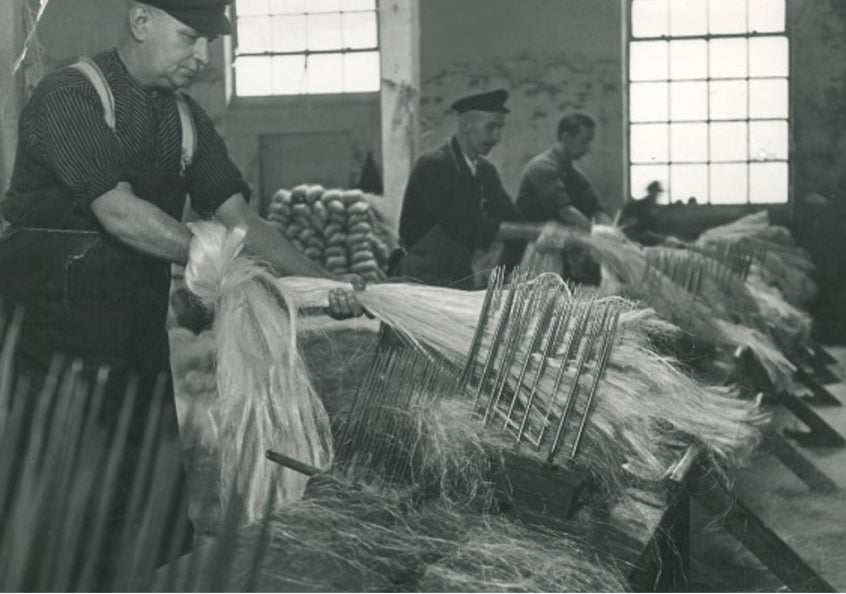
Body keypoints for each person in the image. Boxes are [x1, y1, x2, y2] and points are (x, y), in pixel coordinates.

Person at [0, 0, 361, 586]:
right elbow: (117, 212)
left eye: (211, 42)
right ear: (141, 22)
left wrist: (323, 282)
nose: (204, 56)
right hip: (51, 340)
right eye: (191, 36)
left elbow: (241, 220)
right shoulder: (71, 96)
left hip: (133, 332)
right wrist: (222, 263)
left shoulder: (186, 121)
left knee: (149, 496)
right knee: (63, 503)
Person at [395, 89, 565, 289]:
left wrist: (542, 232)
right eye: (491, 127)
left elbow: (511, 217)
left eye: (500, 128)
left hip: (459, 276)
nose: (497, 137)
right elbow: (466, 226)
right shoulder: (434, 165)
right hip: (420, 278)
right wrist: (532, 232)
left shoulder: (484, 170)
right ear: (467, 126)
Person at [516, 113, 612, 284]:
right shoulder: (541, 168)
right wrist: (599, 237)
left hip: (561, 253)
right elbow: (566, 211)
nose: (588, 148)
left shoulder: (576, 176)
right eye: (584, 141)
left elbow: (596, 210)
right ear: (566, 137)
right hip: (536, 254)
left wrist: (615, 236)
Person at [618, 180, 666, 246]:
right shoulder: (638, 205)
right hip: (639, 238)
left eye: (658, 192)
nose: (657, 195)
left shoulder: (657, 208)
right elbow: (632, 225)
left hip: (654, 238)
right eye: (655, 192)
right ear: (650, 191)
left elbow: (659, 227)